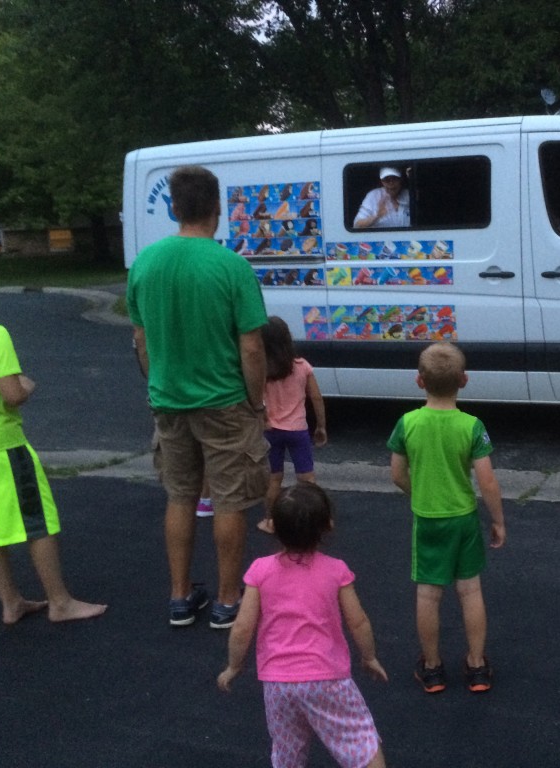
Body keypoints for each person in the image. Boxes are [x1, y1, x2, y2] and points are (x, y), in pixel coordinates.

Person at [127, 164, 270, 630]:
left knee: (181, 495)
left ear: (173, 207)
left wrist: (157, 383)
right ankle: (229, 601)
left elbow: (141, 340)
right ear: (217, 208)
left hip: (168, 401)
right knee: (229, 501)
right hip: (224, 401)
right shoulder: (231, 266)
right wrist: (256, 401)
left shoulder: (145, 263)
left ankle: (180, 597)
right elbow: (251, 346)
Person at [0, 256, 107, 624]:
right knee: (37, 520)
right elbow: (12, 394)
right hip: (2, 443)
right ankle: (59, 602)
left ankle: (10, 602)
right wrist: (26, 385)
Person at [218, 482, 387, 768]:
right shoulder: (336, 571)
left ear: (271, 526)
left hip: (277, 683)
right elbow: (358, 622)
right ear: (328, 526)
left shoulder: (259, 571)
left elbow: (243, 627)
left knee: (288, 752)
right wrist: (368, 657)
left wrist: (234, 665)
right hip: (327, 677)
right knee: (358, 738)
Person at [386, 342, 506, 694]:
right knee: (470, 591)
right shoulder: (471, 425)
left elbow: (396, 474)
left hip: (428, 519)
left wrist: (419, 492)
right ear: (464, 380)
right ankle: (477, 666)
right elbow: (487, 481)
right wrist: (497, 519)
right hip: (464, 518)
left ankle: (434, 669)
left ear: (419, 381)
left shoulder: (407, 423)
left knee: (428, 594)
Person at [256, 316, 328, 535]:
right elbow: (316, 397)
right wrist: (321, 426)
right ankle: (319, 518)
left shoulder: (260, 370)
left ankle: (270, 520)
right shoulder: (302, 366)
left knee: (273, 478)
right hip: (297, 430)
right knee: (307, 476)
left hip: (270, 431)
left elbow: (257, 400)